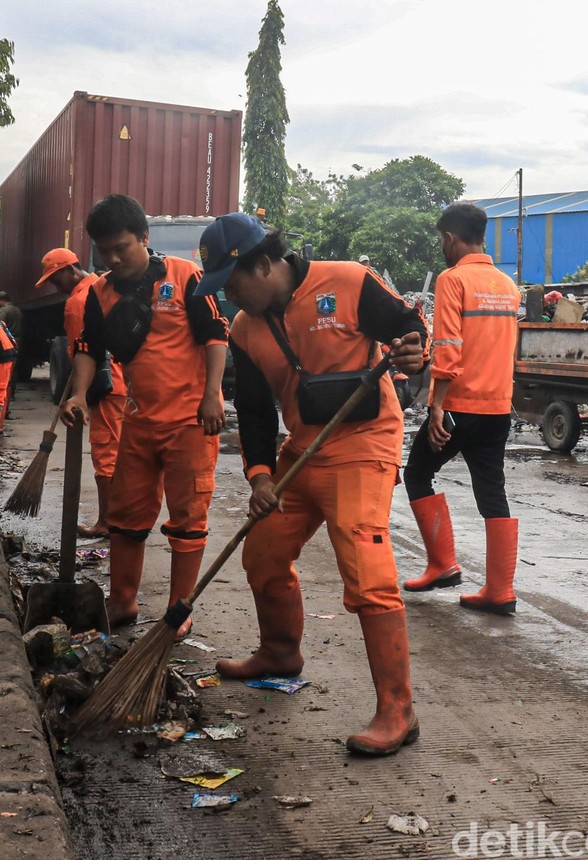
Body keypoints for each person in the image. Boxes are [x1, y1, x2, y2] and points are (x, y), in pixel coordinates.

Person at [195, 213, 429, 756]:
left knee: (366, 566)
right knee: (264, 553)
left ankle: (399, 710)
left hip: (363, 443)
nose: (230, 298)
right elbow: (252, 413)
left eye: (232, 285)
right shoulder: (245, 330)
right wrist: (258, 477)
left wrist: (415, 351)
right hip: (301, 451)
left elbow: (406, 327)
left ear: (263, 264)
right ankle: (280, 652)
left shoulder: (347, 281)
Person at [61, 194, 229, 640]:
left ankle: (179, 610)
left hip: (191, 423)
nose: (114, 259)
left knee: (187, 519)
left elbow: (215, 334)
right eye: (105, 251)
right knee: (125, 518)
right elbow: (88, 348)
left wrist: (213, 395)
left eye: (122, 249)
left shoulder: (185, 276)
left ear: (144, 238)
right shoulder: (99, 292)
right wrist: (77, 394)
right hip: (138, 421)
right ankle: (122, 601)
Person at [402, 202, 521, 614]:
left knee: (417, 473)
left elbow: (449, 349)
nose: (442, 246)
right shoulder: (507, 284)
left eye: (441, 240)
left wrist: (436, 407)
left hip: (459, 406)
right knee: (492, 491)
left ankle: (442, 565)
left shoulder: (453, 280)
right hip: (498, 408)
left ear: (450, 238)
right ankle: (500, 590)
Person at [35, 248, 127, 537]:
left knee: (106, 453)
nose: (54, 286)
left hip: (108, 388)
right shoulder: (102, 288)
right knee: (121, 451)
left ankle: (108, 522)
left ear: (70, 271)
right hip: (121, 382)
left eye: (55, 279)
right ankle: (120, 518)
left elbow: (81, 354)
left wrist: (78, 395)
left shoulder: (77, 302)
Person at [0, 291, 23, 401]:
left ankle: (5, 396)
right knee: (14, 369)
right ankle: (12, 394)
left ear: (1, 300)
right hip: (17, 341)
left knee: (5, 370)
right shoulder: (18, 310)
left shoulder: (4, 311)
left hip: (6, 343)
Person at [0, 320, 17, 432]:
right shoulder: (1, 323)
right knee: (4, 389)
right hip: (9, 354)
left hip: (3, 357)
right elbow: (14, 342)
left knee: (1, 390)